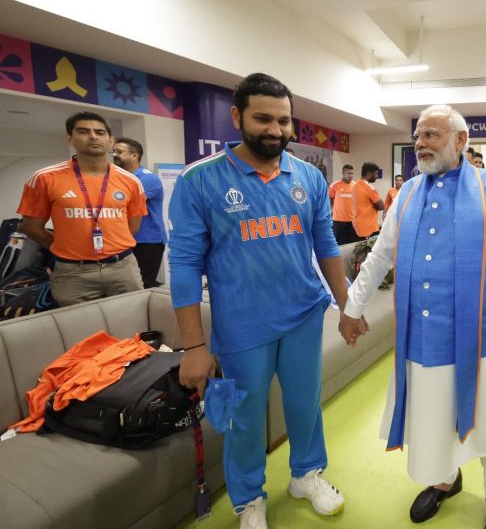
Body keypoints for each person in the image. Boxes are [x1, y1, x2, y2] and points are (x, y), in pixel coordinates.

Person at [339, 104, 486, 529]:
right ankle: (445, 481)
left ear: (461, 141)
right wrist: (352, 308)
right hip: (418, 339)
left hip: (476, 340)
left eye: (431, 135)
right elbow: (381, 254)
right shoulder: (406, 193)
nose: (420, 143)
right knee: (432, 418)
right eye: (418, 135)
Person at [169, 73, 349, 529]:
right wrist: (193, 346)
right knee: (244, 416)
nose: (275, 129)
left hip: (305, 314)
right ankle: (249, 498)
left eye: (284, 121)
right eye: (263, 118)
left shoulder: (308, 176)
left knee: (305, 403)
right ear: (237, 117)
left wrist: (349, 304)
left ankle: (307, 475)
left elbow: (325, 243)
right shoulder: (201, 180)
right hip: (242, 326)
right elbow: (185, 265)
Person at [16, 111, 146, 306]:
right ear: (70, 138)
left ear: (111, 141)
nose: (93, 136)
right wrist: (66, 247)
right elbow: (32, 228)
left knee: (131, 325)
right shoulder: (44, 178)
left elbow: (133, 227)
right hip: (72, 273)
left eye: (100, 132)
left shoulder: (131, 181)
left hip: (123, 267)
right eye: (84, 131)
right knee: (80, 331)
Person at [113, 137, 168, 288]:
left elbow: (122, 205)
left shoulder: (147, 178)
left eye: (119, 151)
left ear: (134, 155)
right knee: (129, 285)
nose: (114, 155)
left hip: (148, 241)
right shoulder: (120, 179)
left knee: (143, 285)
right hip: (128, 239)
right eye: (113, 151)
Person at [352, 162, 384, 239]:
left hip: (358, 226)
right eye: (376, 174)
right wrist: (375, 206)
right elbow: (381, 206)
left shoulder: (355, 185)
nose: (376, 176)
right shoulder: (369, 187)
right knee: (371, 250)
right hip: (368, 228)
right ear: (369, 173)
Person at [329, 164, 357, 244]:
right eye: (349, 173)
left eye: (352, 173)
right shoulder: (334, 185)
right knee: (339, 243)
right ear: (343, 173)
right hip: (338, 220)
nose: (351, 175)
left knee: (352, 243)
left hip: (352, 220)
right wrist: (332, 208)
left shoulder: (355, 185)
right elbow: (330, 197)